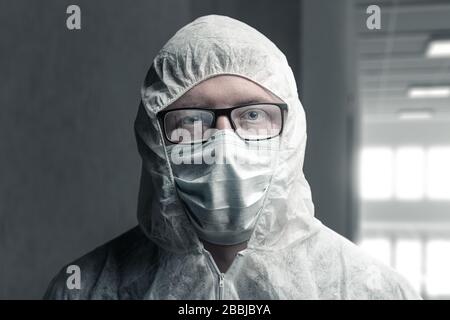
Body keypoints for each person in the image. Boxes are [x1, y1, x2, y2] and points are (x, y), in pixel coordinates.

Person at [44, 15, 421, 300]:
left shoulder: (372, 289)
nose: (223, 143)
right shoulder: (84, 288)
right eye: (192, 120)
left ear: (290, 130)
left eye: (253, 115)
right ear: (154, 139)